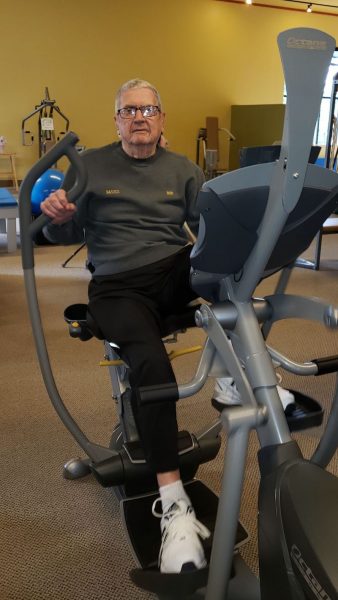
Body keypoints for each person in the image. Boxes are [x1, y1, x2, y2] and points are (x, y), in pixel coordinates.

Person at [40, 78, 210, 574]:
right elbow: (62, 231)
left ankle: (263, 384)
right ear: (117, 120)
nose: (139, 117)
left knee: (234, 273)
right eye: (129, 109)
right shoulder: (89, 165)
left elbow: (209, 228)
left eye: (149, 109)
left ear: (162, 120)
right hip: (117, 285)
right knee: (151, 362)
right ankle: (174, 505)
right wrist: (57, 214)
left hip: (173, 270)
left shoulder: (184, 168)